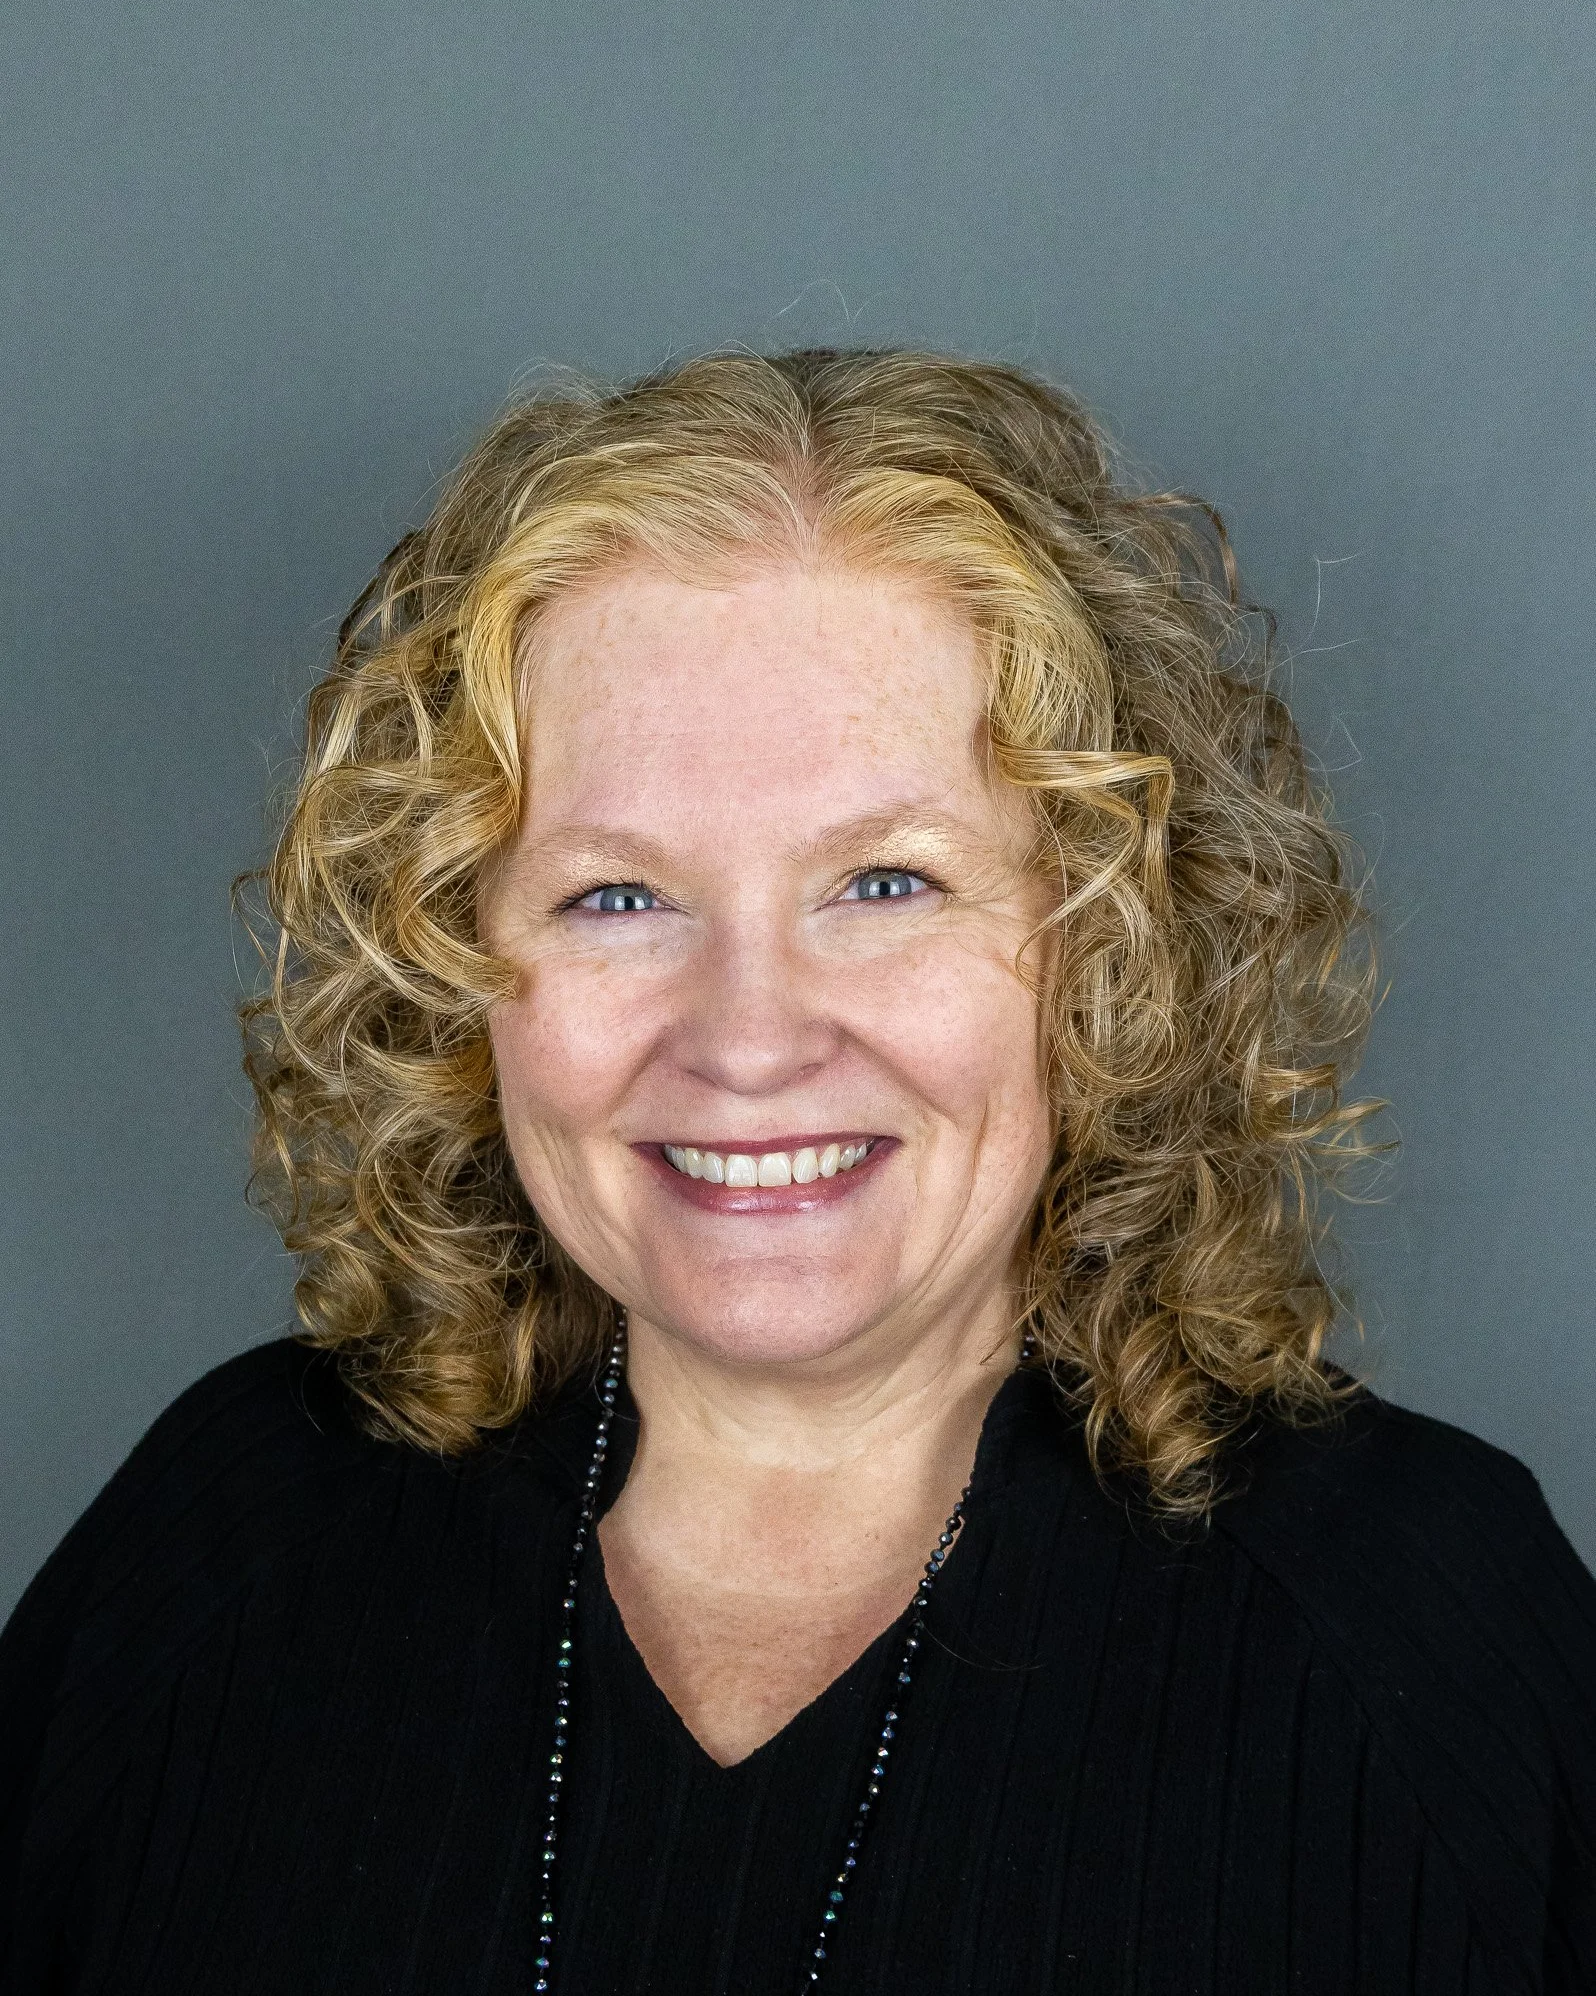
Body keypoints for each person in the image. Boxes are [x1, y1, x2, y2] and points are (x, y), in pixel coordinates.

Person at [2, 348, 1592, 1994]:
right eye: (614, 897)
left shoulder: (1415, 1627)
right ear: (449, 962)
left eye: (886, 884)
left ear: (1111, 942)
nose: (748, 1040)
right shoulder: (226, 1544)